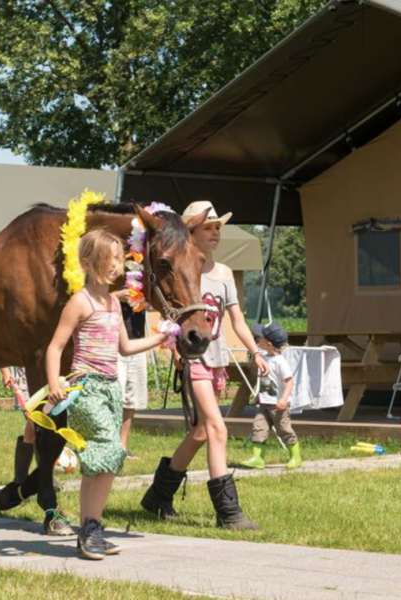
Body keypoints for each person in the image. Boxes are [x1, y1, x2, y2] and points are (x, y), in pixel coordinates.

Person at [140, 200, 269, 531]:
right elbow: (168, 311)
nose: (214, 233)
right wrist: (175, 346)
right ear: (190, 233)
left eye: (217, 228)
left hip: (217, 361)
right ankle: (229, 512)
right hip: (192, 360)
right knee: (217, 429)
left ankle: (157, 495)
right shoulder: (187, 269)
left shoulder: (224, 273)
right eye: (207, 227)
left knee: (199, 432)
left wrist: (255, 352)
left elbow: (238, 321)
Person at [45, 229, 173, 560]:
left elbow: (126, 347)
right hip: (86, 387)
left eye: (120, 257)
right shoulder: (80, 302)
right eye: (111, 258)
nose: (118, 264)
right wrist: (54, 383)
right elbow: (55, 346)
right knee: (109, 449)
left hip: (111, 389)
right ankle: (91, 528)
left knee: (101, 460)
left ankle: (91, 527)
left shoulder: (114, 304)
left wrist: (159, 339)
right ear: (88, 262)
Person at [240, 323, 302, 470]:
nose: (256, 339)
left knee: (284, 430)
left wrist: (283, 399)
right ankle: (258, 458)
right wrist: (258, 394)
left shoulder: (280, 362)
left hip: (278, 405)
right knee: (259, 428)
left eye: (259, 338)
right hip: (264, 403)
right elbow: (265, 380)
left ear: (268, 344)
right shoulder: (263, 358)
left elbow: (289, 381)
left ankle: (295, 457)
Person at [114, 289, 148, 459]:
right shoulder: (109, 273)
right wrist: (117, 295)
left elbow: (153, 303)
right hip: (113, 342)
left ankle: (122, 446)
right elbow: (92, 298)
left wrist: (146, 301)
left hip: (138, 341)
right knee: (114, 396)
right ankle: (109, 444)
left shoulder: (143, 273)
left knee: (131, 398)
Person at [0, 367, 37, 490]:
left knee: (38, 427)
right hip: (24, 379)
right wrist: (5, 370)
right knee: (34, 421)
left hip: (41, 379)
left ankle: (43, 476)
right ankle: (21, 478)